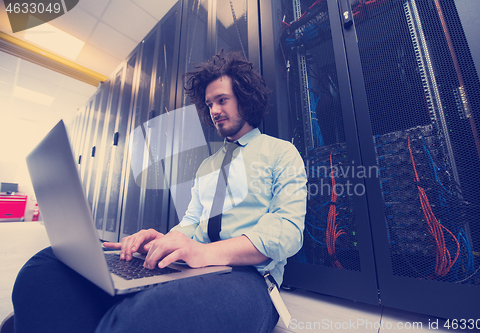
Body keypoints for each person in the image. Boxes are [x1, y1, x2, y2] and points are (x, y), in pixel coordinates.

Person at [11, 50, 307, 333]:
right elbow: (191, 222)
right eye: (209, 104)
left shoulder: (280, 153)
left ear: (245, 98)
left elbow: (287, 231)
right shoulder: (207, 166)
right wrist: (162, 242)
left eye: (222, 100)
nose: (214, 110)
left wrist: (204, 253)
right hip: (193, 268)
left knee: (143, 318)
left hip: (250, 279)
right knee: (46, 266)